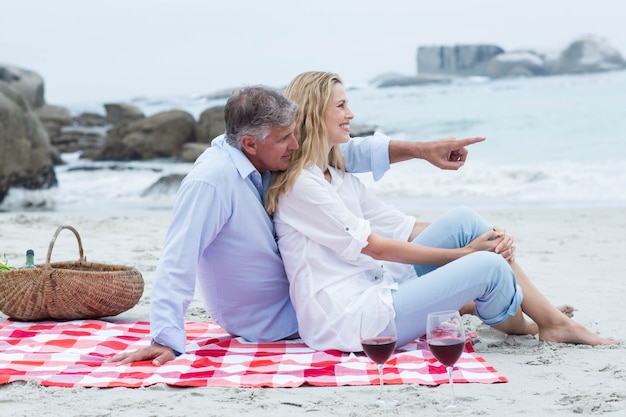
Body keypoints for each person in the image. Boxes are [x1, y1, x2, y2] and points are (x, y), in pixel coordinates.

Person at [107, 85, 487, 366]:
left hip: (312, 291)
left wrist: (422, 151)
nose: (296, 144)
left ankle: (469, 301)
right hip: (271, 318)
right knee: (427, 268)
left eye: (294, 133)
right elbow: (178, 256)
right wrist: (166, 337)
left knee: (456, 232)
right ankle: (467, 301)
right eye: (285, 138)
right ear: (250, 143)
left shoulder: (267, 157)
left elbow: (341, 152)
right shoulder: (211, 180)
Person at [266, 71, 613, 353]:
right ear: (315, 113)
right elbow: (377, 247)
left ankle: (546, 319)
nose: (351, 114)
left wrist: (484, 238)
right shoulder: (301, 186)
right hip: (351, 319)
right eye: (341, 106)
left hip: (377, 288)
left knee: (465, 221)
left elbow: (404, 229)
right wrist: (464, 255)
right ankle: (540, 323)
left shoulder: (336, 177)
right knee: (486, 266)